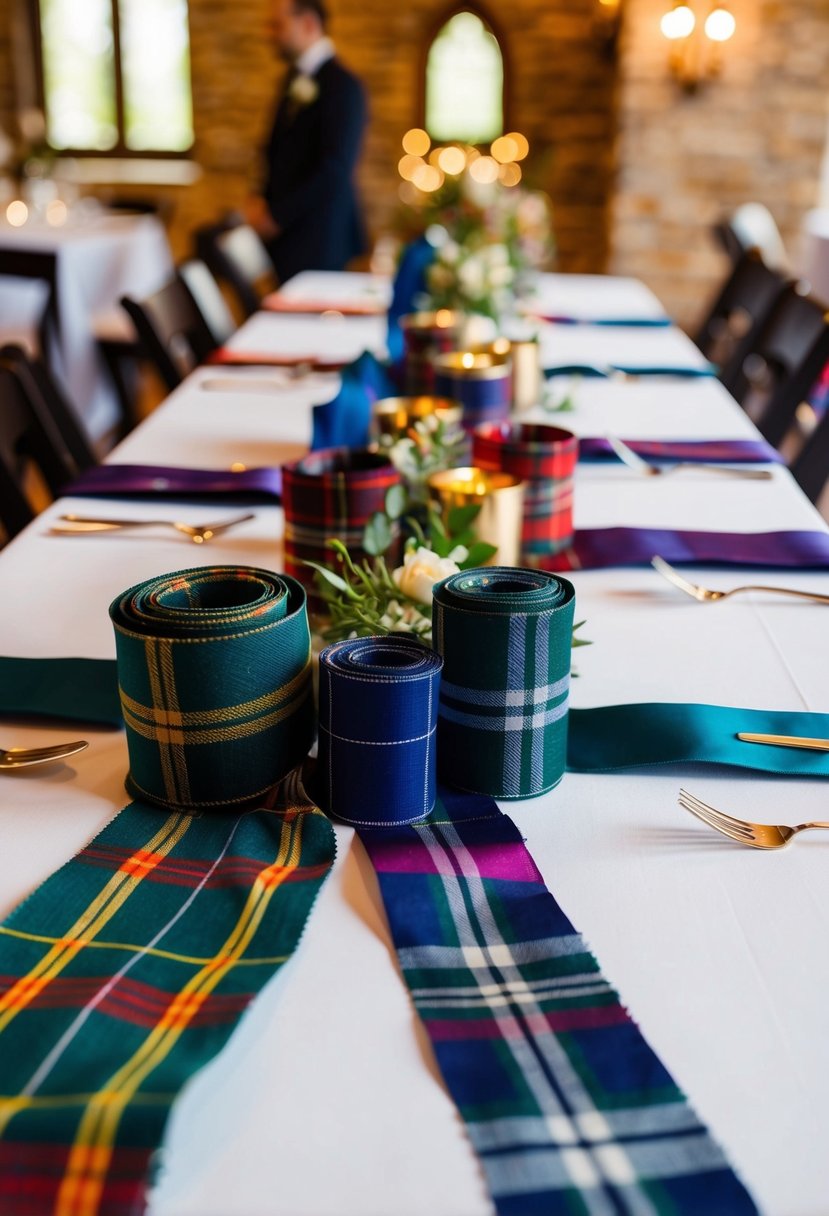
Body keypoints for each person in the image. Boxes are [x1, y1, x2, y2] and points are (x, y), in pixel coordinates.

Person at [247, 0, 368, 283]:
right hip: (286, 239)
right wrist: (260, 198)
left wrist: (277, 215)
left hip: (320, 239)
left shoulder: (344, 86)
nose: (269, 33)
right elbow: (277, 151)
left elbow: (335, 169)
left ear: (309, 23)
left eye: (277, 24)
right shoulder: (291, 80)